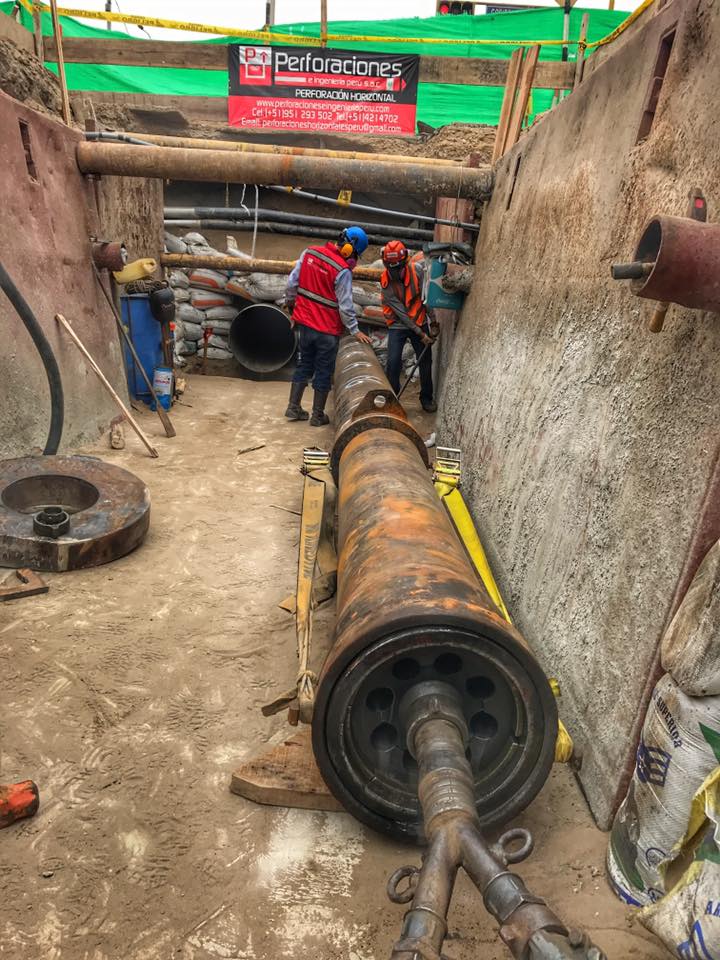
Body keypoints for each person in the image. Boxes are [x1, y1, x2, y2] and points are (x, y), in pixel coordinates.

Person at [284, 227, 373, 426]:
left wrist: (291, 307)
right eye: (356, 255)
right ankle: (317, 416)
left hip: (305, 325)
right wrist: (354, 329)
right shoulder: (342, 270)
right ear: (349, 250)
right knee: (323, 369)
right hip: (327, 330)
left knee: (304, 364)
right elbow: (346, 306)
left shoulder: (309, 253)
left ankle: (293, 407)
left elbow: (291, 284)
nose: (354, 260)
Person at [380, 240, 437, 413]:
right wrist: (421, 334)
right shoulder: (385, 283)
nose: (394, 272)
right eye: (390, 268)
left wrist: (433, 322)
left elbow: (426, 298)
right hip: (398, 324)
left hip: (419, 320)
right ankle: (393, 400)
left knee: (425, 361)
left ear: (404, 262)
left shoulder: (417, 271)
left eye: (397, 268)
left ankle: (426, 398)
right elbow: (402, 314)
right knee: (393, 363)